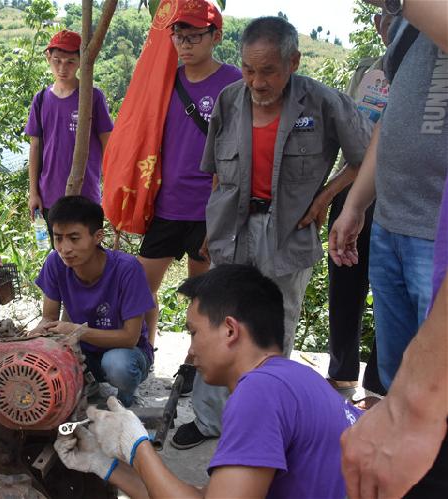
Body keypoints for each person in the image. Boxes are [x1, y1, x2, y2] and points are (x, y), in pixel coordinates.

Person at [173, 16, 373, 450]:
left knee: (274, 326)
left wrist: (325, 198)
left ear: (293, 62)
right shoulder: (229, 100)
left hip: (287, 233)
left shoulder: (321, 102)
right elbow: (215, 177)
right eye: (248, 69)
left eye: (268, 71)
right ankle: (210, 421)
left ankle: (264, 423)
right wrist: (210, 230)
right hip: (232, 228)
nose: (257, 81)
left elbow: (366, 156)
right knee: (217, 320)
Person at [55, 264, 362, 498]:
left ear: (230, 330)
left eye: (194, 332)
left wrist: (137, 447)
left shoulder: (260, 391)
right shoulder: (293, 379)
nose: (189, 352)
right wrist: (106, 465)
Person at [338, 0, 448, 497]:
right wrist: (356, 204)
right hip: (391, 223)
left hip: (436, 231)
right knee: (396, 372)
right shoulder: (408, 30)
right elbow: (389, 120)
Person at [135, 1, 241, 373]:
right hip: (166, 204)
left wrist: (224, 208)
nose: (185, 44)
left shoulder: (233, 82)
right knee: (140, 284)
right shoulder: (168, 79)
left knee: (203, 294)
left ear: (216, 36)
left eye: (195, 36)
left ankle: (196, 360)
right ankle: (144, 346)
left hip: (208, 207)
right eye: (180, 36)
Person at [325, 9, 393, 399]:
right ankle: (342, 372)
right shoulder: (367, 71)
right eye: (384, 15)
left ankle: (380, 384)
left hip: (399, 198)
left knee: (389, 286)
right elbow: (350, 137)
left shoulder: (432, 67)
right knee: (345, 282)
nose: (390, 23)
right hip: (351, 190)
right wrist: (333, 195)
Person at [34, 196, 155, 407]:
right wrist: (33, 339)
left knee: (118, 365)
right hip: (84, 352)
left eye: (74, 238)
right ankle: (87, 384)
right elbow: (48, 318)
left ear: (98, 236)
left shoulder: (127, 269)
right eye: (58, 238)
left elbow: (129, 338)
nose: (65, 248)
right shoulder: (55, 262)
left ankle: (126, 400)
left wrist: (76, 331)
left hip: (128, 353)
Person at [25, 29, 114, 228]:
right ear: (48, 58)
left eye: (70, 62)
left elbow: (108, 144)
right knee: (59, 253)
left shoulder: (93, 97)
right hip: (49, 195)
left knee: (87, 253)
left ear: (81, 61)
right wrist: (33, 193)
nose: (62, 68)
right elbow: (35, 147)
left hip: (86, 194)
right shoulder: (40, 99)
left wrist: (109, 191)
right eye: (57, 60)